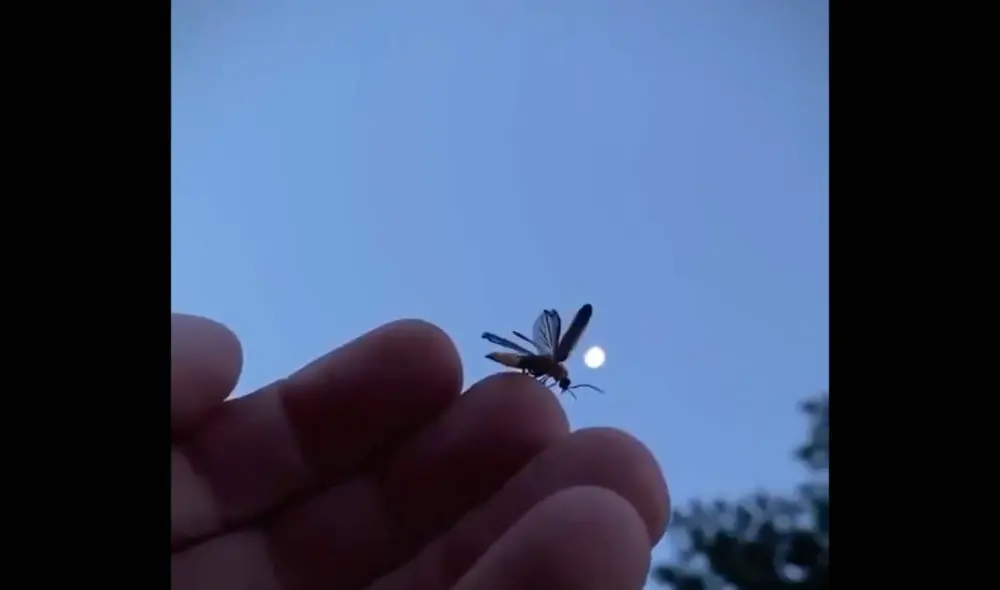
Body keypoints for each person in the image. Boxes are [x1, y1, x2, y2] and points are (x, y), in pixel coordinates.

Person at [171, 313, 670, 589]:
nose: (558, 380)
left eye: (558, 378)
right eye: (559, 377)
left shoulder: (547, 369)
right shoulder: (550, 362)